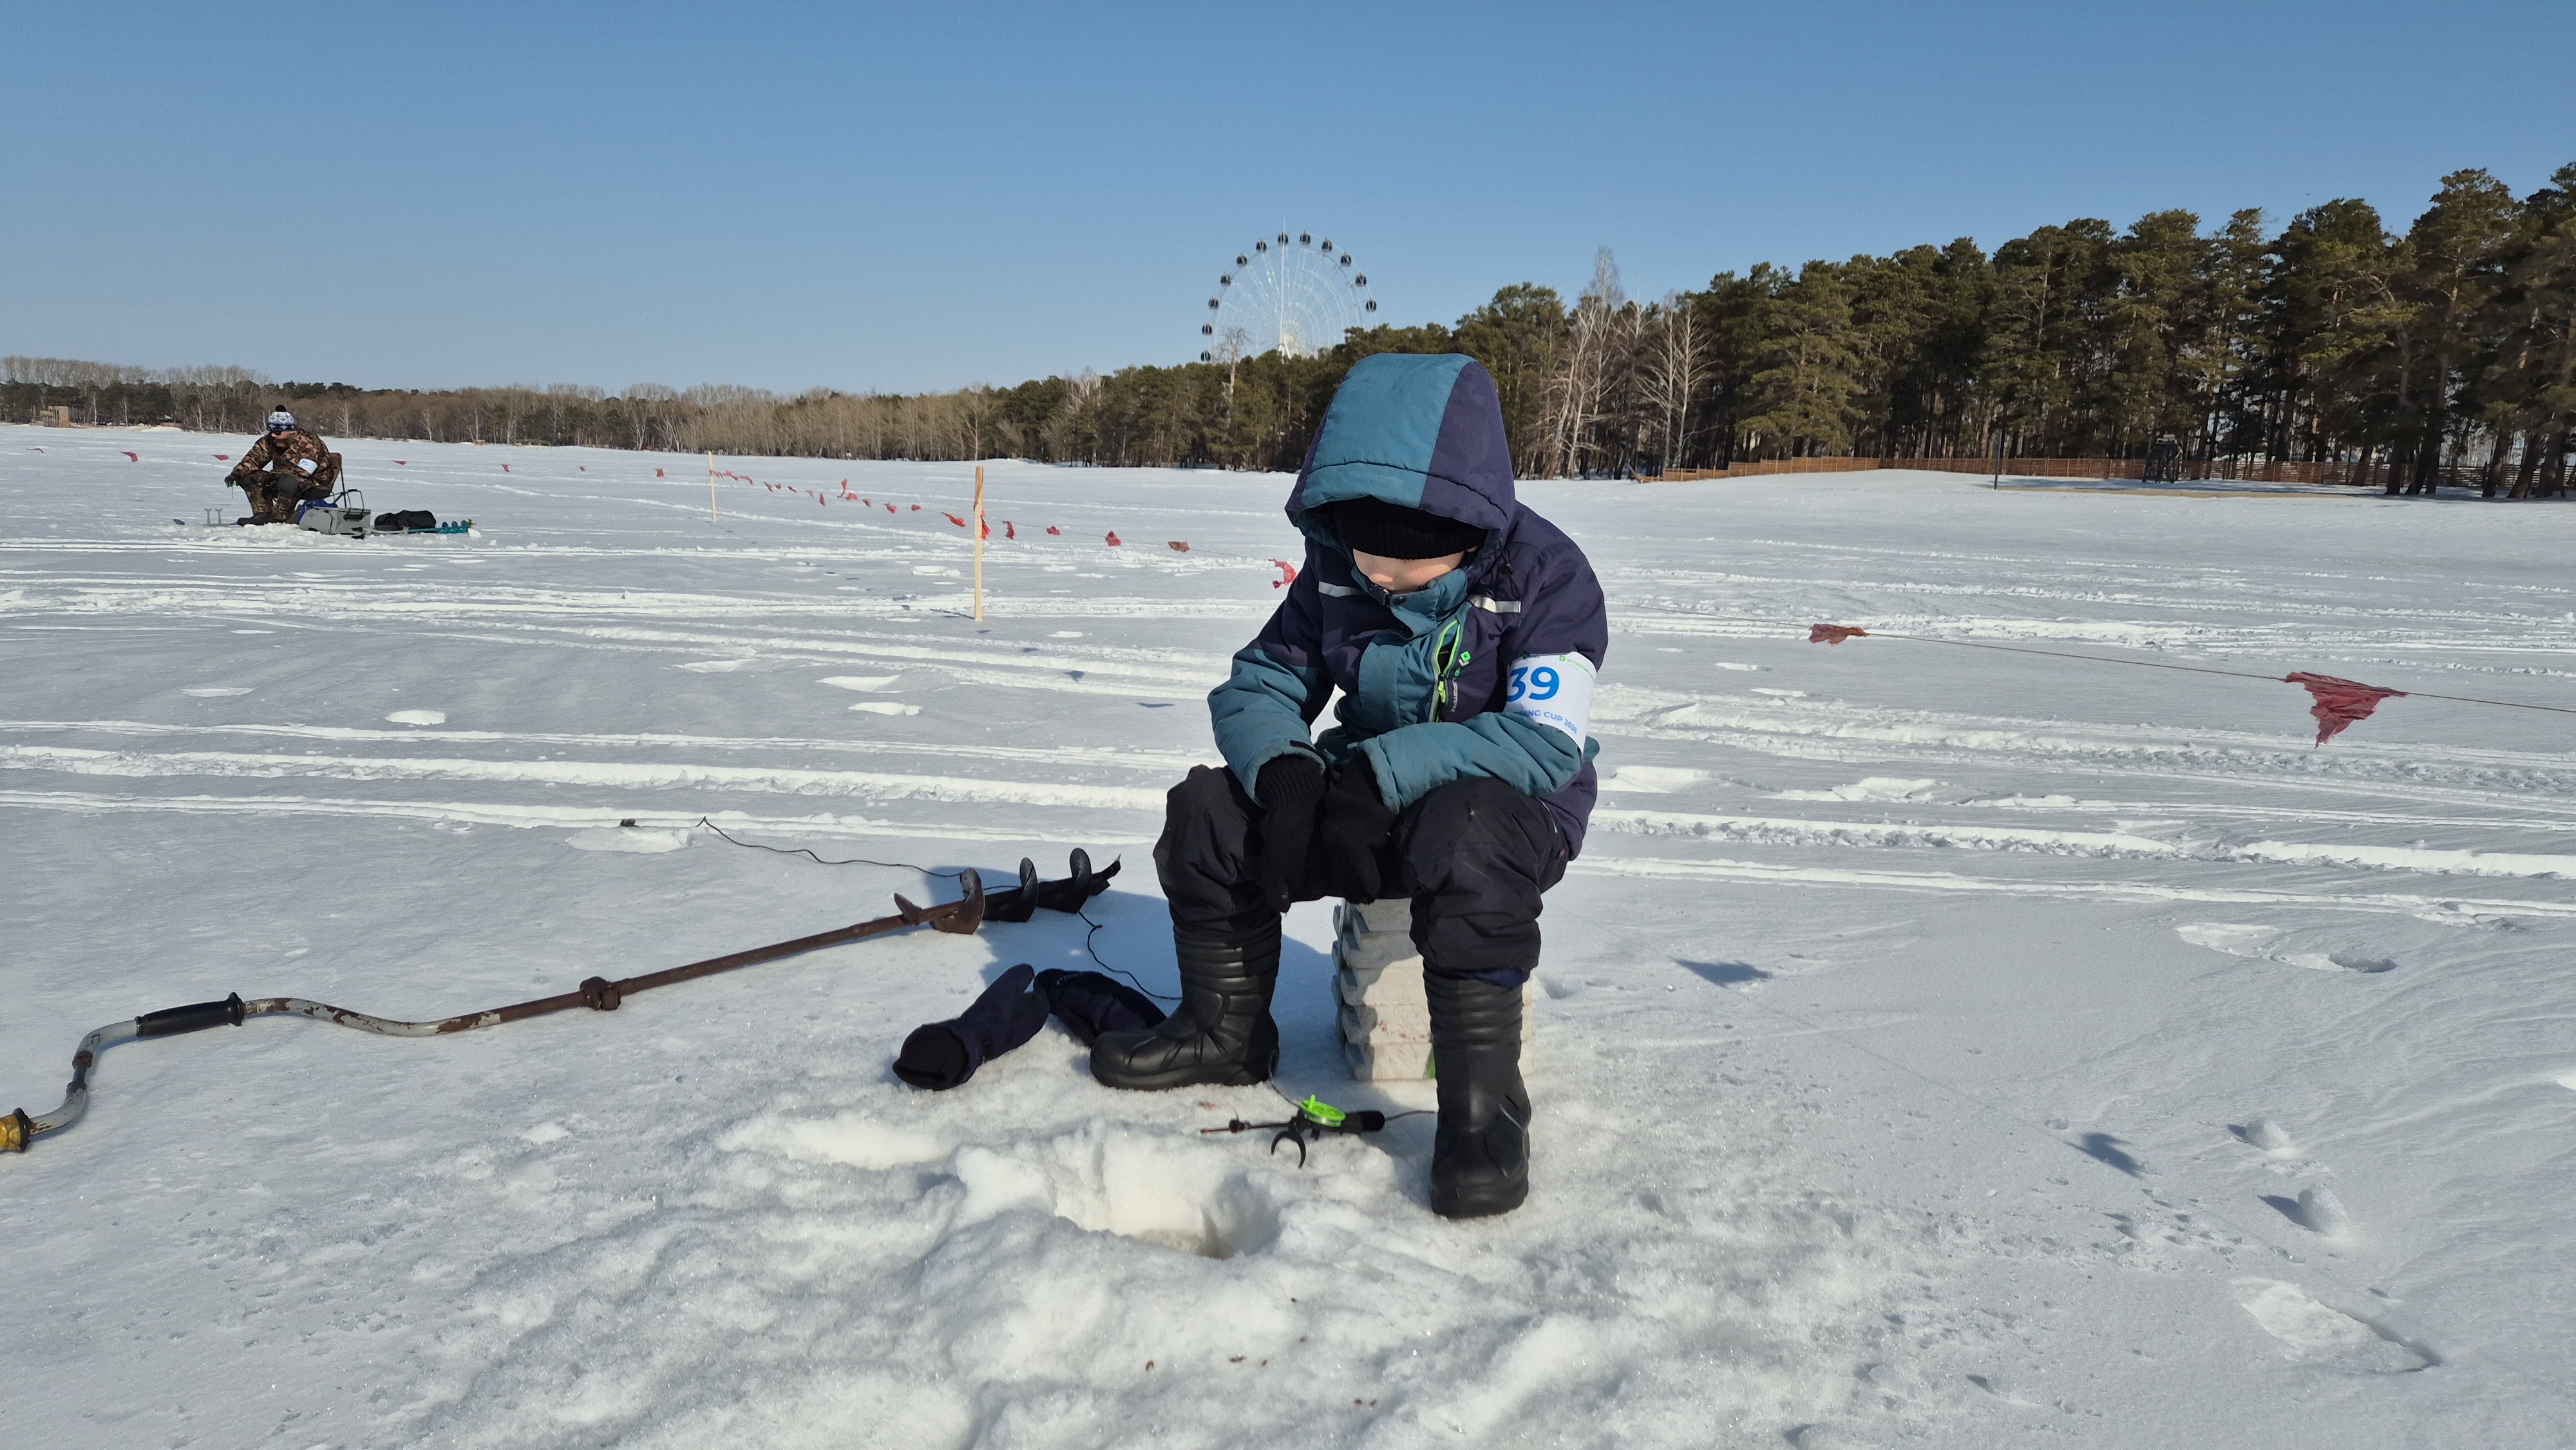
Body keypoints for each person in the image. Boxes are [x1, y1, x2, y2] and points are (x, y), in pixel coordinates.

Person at [1091, 353, 1607, 1218]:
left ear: (1470, 531)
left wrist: (1382, 773)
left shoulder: (1546, 579)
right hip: (1364, 793)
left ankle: (1483, 1109)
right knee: (1209, 812)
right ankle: (1225, 1031)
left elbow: (1543, 743)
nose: (1378, 577)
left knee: (1467, 831)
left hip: (1508, 811)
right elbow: (1261, 682)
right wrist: (1291, 776)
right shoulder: (1337, 564)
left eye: (1405, 565)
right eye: (1364, 554)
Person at [225, 408, 342, 523]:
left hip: (314, 483)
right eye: (271, 431)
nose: (273, 435)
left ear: (289, 430)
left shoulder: (309, 443)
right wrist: (236, 474)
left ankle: (280, 516)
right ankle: (263, 514)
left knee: (288, 481)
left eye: (277, 432)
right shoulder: (269, 441)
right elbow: (253, 459)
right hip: (281, 478)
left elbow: (303, 472)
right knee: (248, 478)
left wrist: (274, 476)